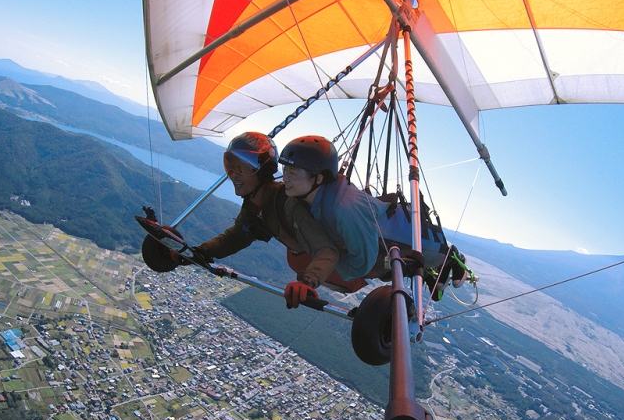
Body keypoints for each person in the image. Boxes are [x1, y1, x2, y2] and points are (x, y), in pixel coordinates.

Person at [279, 135, 468, 298]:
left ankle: (454, 259)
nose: (284, 178)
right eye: (285, 171)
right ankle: (430, 270)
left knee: (432, 258)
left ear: (318, 178)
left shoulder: (344, 210)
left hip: (416, 242)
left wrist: (329, 264)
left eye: (292, 173)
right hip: (386, 244)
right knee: (392, 264)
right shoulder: (317, 198)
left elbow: (361, 264)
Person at [167, 132, 341, 309]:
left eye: (242, 168)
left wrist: (307, 282)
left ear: (264, 171)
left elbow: (327, 251)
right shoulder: (254, 203)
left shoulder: (288, 204)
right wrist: (197, 253)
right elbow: (236, 237)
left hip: (332, 266)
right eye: (231, 167)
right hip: (304, 259)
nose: (234, 175)